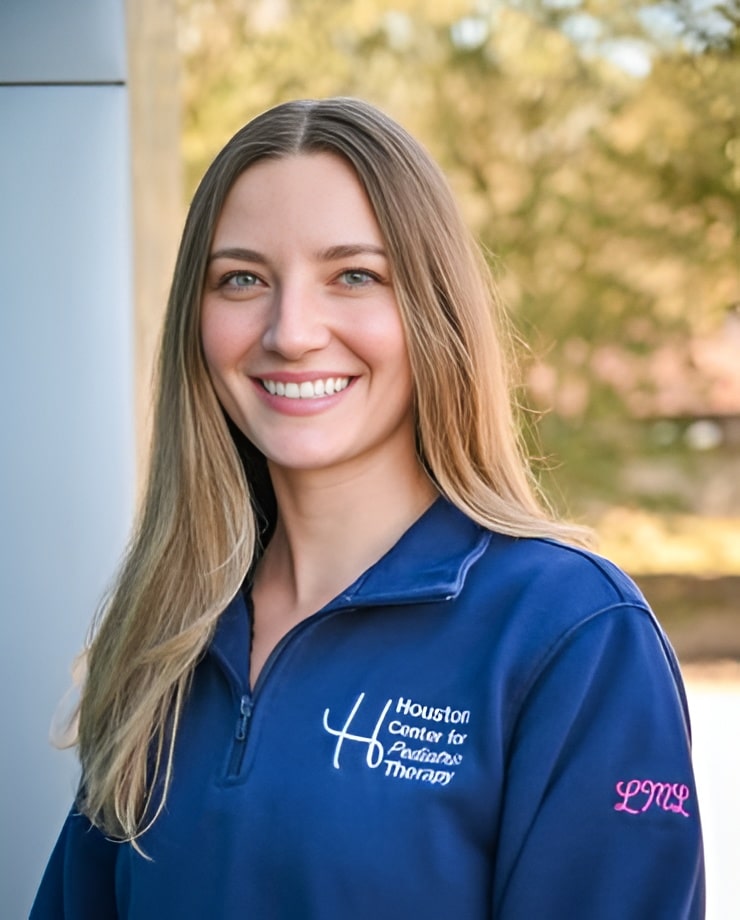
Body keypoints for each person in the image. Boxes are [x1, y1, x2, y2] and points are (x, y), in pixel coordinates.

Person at [31, 97, 704, 919]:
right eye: (242, 279)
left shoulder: (573, 635)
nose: (291, 332)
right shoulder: (166, 632)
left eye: (354, 275)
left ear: (433, 311)